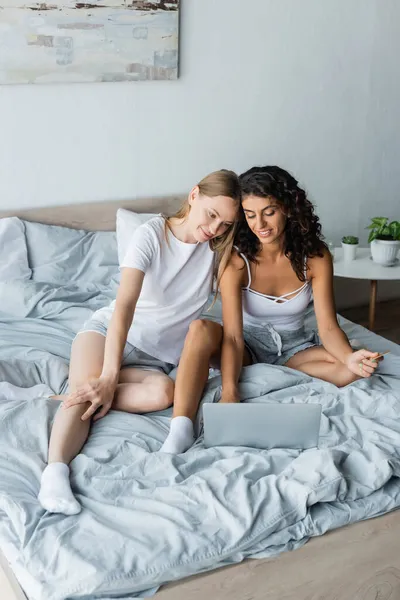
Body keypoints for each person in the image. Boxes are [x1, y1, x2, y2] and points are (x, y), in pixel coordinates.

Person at [38, 169, 241, 515]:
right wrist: (107, 375)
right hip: (109, 334)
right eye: (211, 214)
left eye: (225, 223)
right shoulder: (151, 235)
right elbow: (125, 308)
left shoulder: (218, 253)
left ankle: (49, 397)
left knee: (164, 393)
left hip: (155, 360)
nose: (215, 228)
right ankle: (54, 474)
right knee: (90, 388)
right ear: (194, 196)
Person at [160, 165, 382, 455]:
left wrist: (350, 358)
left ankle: (292, 371)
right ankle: (181, 430)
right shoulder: (238, 261)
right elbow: (233, 338)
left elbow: (327, 327)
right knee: (200, 329)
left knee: (353, 368)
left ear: (288, 208)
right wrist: (230, 393)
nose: (259, 224)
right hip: (247, 347)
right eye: (250, 215)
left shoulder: (315, 257)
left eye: (269, 212)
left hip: (294, 347)